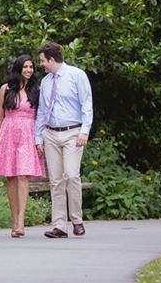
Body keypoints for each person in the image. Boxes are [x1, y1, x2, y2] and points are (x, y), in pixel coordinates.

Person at [35, 41, 93, 238]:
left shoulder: (77, 75)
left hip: (72, 132)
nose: (41, 64)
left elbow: (87, 104)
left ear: (51, 59)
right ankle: (60, 225)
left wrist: (84, 131)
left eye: (42, 61)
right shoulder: (46, 81)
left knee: (71, 175)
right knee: (56, 180)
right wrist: (38, 138)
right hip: (50, 133)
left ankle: (77, 220)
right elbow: (42, 111)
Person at [0, 54, 45, 237]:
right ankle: (13, 222)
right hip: (8, 134)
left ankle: (21, 221)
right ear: (18, 68)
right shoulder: (5, 89)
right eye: (26, 67)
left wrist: (40, 141)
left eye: (31, 67)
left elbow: (42, 116)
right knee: (11, 178)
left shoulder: (36, 90)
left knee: (23, 176)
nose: (29, 70)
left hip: (28, 135)